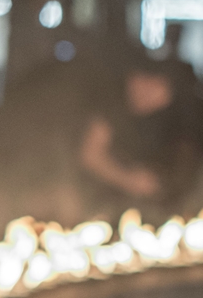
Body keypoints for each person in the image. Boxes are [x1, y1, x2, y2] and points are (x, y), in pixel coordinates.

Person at [78, 57, 190, 213]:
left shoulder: (165, 120)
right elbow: (90, 155)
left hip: (132, 204)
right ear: (134, 78)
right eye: (146, 84)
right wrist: (129, 180)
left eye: (158, 91)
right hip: (85, 197)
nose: (148, 95)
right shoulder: (111, 103)